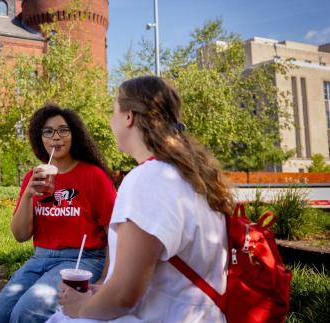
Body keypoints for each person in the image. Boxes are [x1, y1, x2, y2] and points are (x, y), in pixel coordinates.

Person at [48, 76, 235, 322]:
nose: (110, 121)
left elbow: (124, 295)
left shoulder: (148, 179)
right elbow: (161, 279)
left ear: (129, 117)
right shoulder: (192, 177)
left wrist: (80, 307)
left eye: (113, 111)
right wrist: (99, 292)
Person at [0, 104, 117, 323]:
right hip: (40, 259)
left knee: (26, 314)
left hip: (83, 259)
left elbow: (114, 230)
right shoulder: (32, 177)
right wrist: (28, 194)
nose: (57, 137)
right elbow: (20, 235)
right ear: (40, 138)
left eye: (63, 130)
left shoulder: (93, 176)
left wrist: (105, 278)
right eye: (48, 131)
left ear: (74, 135)